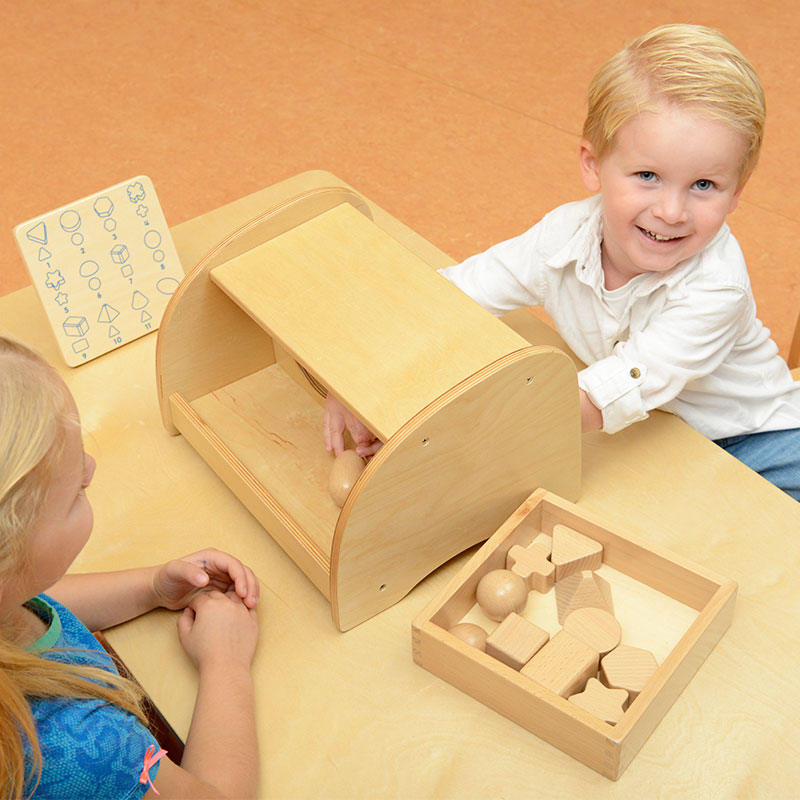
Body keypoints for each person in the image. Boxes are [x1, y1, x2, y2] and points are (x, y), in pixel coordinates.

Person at [324, 23, 800, 501]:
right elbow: (451, 294)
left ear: (736, 192)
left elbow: (601, 395)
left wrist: (436, 434)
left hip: (755, 438)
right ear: (593, 165)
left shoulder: (717, 288)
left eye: (704, 186)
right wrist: (358, 374)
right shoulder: (563, 236)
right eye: (648, 175)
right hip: (653, 433)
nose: (671, 212)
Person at [0, 334, 261, 799]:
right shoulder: (80, 750)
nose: (93, 469)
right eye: (75, 492)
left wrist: (151, 588)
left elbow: (30, 604)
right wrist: (227, 662)